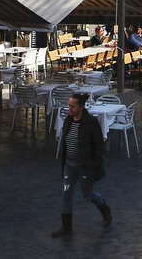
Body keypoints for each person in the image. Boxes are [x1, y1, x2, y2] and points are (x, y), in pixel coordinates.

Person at [52, 94, 112, 237]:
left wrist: (94, 164)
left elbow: (99, 146)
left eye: (73, 106)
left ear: (80, 107)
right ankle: (66, 228)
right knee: (66, 195)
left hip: (84, 167)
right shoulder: (68, 120)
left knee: (88, 194)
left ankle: (104, 208)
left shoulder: (91, 123)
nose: (69, 109)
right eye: (69, 105)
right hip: (69, 166)